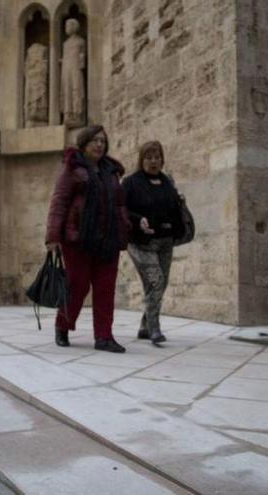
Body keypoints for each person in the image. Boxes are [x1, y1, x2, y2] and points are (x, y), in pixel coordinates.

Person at [45, 125, 131, 352]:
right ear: (84, 144)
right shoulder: (72, 168)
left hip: (108, 239)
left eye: (103, 141)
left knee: (105, 289)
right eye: (95, 140)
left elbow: (121, 203)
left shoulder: (111, 171)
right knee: (77, 286)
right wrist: (52, 236)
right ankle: (62, 325)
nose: (100, 145)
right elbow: (59, 201)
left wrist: (126, 226)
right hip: (78, 239)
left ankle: (104, 337)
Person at [123, 141, 185, 345]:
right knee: (155, 280)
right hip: (140, 243)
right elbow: (121, 209)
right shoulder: (131, 182)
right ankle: (154, 329)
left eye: (157, 157)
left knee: (159, 284)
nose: (153, 161)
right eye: (149, 157)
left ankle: (144, 325)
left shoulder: (167, 181)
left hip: (165, 242)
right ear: (141, 160)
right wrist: (137, 219)